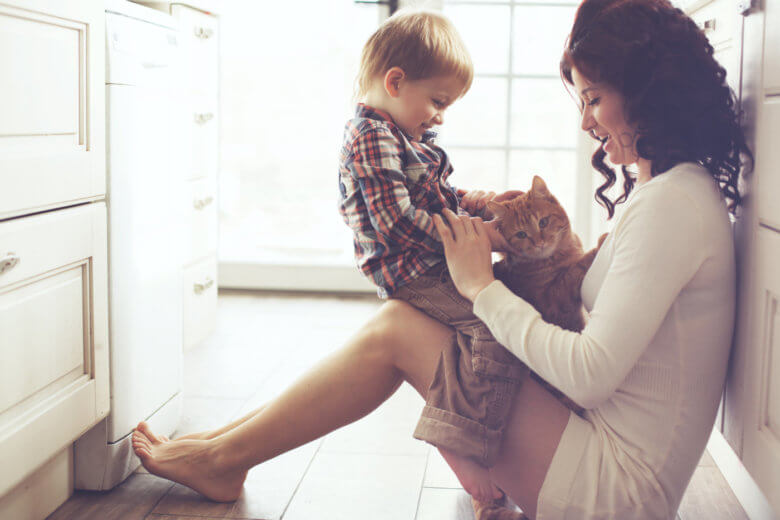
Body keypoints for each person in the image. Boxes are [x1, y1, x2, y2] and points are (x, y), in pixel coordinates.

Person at [131, 0, 753, 518]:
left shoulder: (672, 205)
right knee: (399, 324)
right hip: (605, 449)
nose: (587, 121)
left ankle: (221, 457)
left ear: (648, 91)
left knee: (397, 329)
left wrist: (484, 287)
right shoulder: (669, 192)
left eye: (593, 99)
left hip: (615, 490)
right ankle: (218, 446)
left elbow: (589, 373)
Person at [337, 8, 526, 501]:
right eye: (438, 101)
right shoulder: (370, 137)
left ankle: (489, 439)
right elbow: (397, 222)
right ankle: (474, 458)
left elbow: (439, 197)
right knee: (494, 330)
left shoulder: (406, 136)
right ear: (395, 81)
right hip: (413, 271)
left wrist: (481, 204)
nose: (440, 115)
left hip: (431, 260)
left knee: (502, 314)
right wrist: (476, 237)